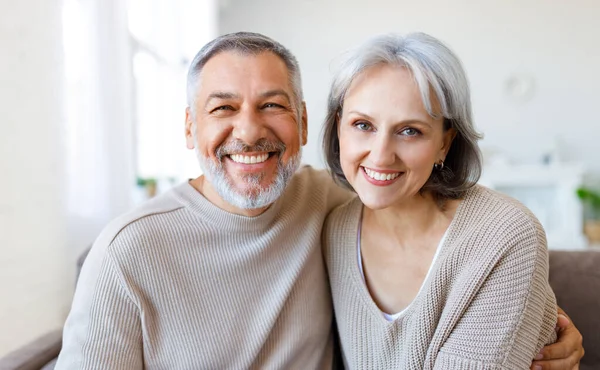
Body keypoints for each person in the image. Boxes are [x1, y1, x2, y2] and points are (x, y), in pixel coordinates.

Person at [55, 32, 583, 369]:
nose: (249, 130)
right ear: (189, 128)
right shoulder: (126, 253)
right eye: (222, 109)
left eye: (272, 105)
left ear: (305, 124)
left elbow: (485, 257)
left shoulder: (330, 202)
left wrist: (545, 327)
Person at [321, 32, 579, 369]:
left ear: (445, 143)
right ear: (338, 127)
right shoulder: (334, 228)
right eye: (362, 124)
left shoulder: (504, 234)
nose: (381, 155)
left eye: (410, 130)